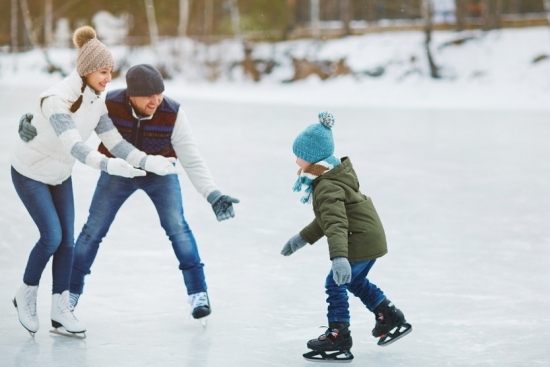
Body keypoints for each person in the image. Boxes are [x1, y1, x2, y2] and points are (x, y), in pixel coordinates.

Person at [20, 64, 239, 323]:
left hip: (160, 173)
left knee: (178, 227)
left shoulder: (173, 112)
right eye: (149, 95)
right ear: (131, 95)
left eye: (159, 93)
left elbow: (191, 158)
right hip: (118, 171)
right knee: (92, 231)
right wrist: (31, 121)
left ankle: (198, 293)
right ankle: (69, 295)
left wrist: (212, 194)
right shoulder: (109, 104)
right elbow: (64, 116)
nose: (156, 100)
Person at [11, 26, 178, 338]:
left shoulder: (96, 100)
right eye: (103, 71)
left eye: (110, 71)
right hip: (30, 171)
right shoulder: (56, 100)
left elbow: (114, 141)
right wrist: (109, 166)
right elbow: (74, 145)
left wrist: (145, 160)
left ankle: (61, 310)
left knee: (68, 242)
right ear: (87, 70)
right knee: (51, 236)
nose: (108, 78)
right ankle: (26, 293)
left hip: (59, 174)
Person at [280, 112, 412, 362]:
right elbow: (327, 220)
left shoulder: (326, 185)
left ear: (312, 158)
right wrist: (301, 238)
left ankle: (338, 335)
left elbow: (337, 223)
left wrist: (339, 257)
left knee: (335, 282)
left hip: (359, 239)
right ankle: (389, 316)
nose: (296, 161)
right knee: (354, 281)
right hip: (369, 236)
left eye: (299, 156)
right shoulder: (329, 175)